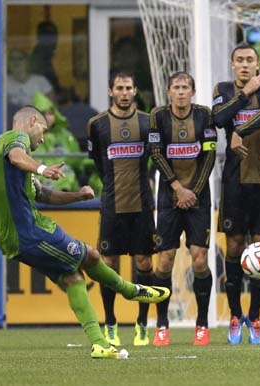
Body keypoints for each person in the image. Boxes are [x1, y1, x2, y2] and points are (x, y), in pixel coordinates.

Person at [0, 105, 170, 359]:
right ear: (31, 122)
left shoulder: (9, 159)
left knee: (73, 277)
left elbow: (43, 194)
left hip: (19, 234)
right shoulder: (15, 140)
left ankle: (99, 344)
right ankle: (130, 291)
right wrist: (42, 168)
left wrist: (78, 196)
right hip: (29, 231)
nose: (43, 137)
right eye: (43, 130)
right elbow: (17, 156)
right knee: (91, 256)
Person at [212, 44, 260, 345]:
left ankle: (254, 316)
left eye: (249, 60)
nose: (244, 65)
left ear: (257, 64)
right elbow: (218, 118)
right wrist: (243, 94)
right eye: (239, 60)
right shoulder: (223, 89)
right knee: (235, 247)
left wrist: (240, 129)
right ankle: (234, 316)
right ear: (232, 64)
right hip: (234, 181)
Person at [87, 71, 156, 347]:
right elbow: (98, 162)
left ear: (135, 90)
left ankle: (141, 324)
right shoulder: (97, 124)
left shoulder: (148, 122)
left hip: (142, 204)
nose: (125, 92)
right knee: (109, 264)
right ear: (110, 92)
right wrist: (113, 186)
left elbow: (154, 157)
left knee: (144, 263)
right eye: (119, 88)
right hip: (112, 205)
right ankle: (111, 323)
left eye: (129, 87)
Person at [149, 72, 217, 346]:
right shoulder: (158, 116)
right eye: (176, 87)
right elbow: (156, 153)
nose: (180, 92)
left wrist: (193, 192)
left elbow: (209, 154)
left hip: (198, 197)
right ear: (168, 93)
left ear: (193, 91)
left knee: (200, 258)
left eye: (185, 87)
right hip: (168, 198)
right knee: (165, 260)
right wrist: (178, 188)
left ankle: (202, 323)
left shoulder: (205, 115)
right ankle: (162, 324)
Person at [33, 91, 82, 193]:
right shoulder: (28, 137)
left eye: (50, 113)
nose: (47, 117)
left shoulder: (66, 135)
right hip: (39, 184)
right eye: (43, 114)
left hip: (68, 184)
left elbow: (78, 161)